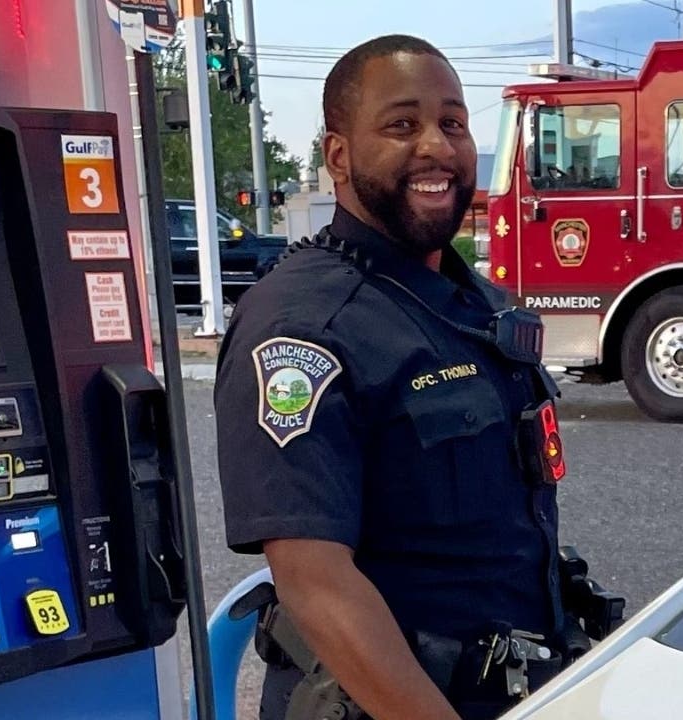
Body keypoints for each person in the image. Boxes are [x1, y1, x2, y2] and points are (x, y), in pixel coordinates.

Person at [214, 34, 594, 720]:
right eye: (401, 125)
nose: (437, 147)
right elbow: (316, 582)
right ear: (338, 155)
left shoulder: (477, 304)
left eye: (453, 123)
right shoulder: (302, 329)